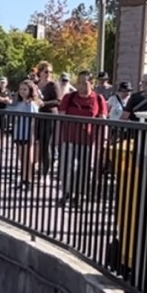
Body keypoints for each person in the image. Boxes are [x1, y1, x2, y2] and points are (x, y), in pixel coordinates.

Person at [58, 71, 106, 208]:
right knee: (68, 167)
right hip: (69, 138)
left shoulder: (98, 99)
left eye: (84, 83)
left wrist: (104, 140)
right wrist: (57, 137)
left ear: (92, 83)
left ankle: (78, 195)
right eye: (79, 82)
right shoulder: (69, 97)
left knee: (84, 169)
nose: (81, 86)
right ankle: (66, 193)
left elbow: (102, 119)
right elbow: (61, 116)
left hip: (88, 140)